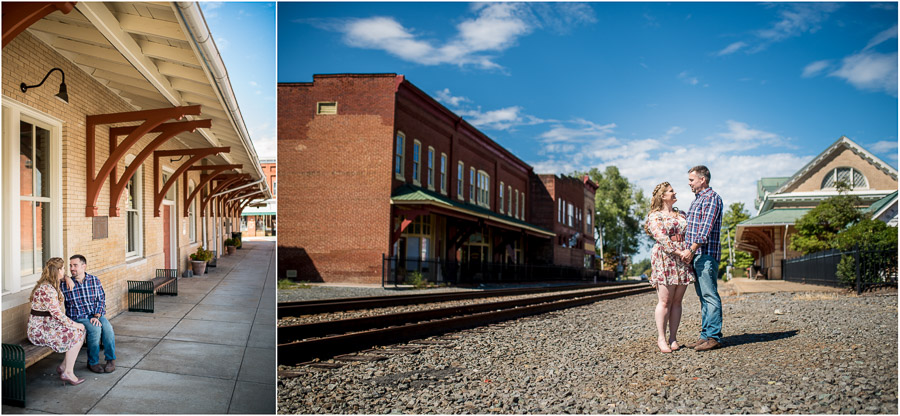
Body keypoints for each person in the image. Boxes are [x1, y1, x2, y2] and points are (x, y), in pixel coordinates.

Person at [645, 182, 695, 353]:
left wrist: (689, 251)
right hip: (665, 258)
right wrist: (679, 251)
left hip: (682, 259)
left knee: (677, 301)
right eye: (670, 191)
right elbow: (661, 236)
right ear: (662, 196)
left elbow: (690, 233)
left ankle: (673, 337)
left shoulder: (681, 214)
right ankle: (661, 338)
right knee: (665, 301)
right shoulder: (655, 216)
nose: (674, 193)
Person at [681, 165, 724, 351]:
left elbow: (704, 232)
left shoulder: (711, 199)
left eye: (691, 179)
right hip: (698, 256)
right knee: (703, 297)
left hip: (705, 255)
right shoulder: (697, 200)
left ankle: (713, 337)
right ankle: (705, 335)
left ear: (702, 179)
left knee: (710, 295)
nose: (689, 183)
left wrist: (691, 250)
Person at [27, 257, 87, 385]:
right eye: (63, 268)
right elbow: (58, 315)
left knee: (80, 331)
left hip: (48, 325)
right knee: (76, 332)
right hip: (39, 331)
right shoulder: (46, 289)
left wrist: (66, 277)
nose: (66, 270)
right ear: (58, 270)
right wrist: (76, 324)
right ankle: (68, 372)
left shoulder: (52, 284)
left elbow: (56, 315)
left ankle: (64, 367)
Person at [61, 255, 117, 373]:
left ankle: (110, 360)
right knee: (95, 330)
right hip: (78, 317)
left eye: (75, 265)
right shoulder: (65, 284)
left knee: (108, 329)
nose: (72, 268)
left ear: (84, 266)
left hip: (95, 314)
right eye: (70, 266)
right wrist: (66, 277)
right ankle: (92, 362)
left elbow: (101, 299)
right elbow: (54, 277)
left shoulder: (94, 280)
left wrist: (97, 316)